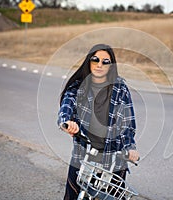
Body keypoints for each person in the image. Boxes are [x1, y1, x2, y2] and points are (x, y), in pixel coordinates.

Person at [57, 43, 139, 200]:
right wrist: (67, 122)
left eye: (105, 62)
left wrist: (131, 148)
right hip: (83, 157)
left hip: (114, 159)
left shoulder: (120, 89)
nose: (99, 65)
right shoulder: (78, 87)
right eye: (95, 60)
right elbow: (66, 107)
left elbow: (128, 125)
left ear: (111, 65)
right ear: (89, 62)